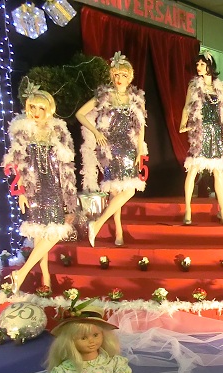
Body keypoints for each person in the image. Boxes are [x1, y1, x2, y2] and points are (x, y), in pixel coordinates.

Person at [3, 82, 77, 295]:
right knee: (39, 231)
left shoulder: (59, 131)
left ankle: (22, 272)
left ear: (49, 109)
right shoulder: (22, 130)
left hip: (55, 186)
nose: (36, 112)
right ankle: (45, 276)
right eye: (32, 107)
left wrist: (69, 196)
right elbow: (17, 163)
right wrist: (21, 192)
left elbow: (67, 166)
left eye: (41, 108)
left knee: (54, 230)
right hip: (33, 187)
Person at [77, 52, 147, 248]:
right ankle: (118, 231)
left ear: (129, 77)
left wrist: (140, 149)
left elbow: (140, 126)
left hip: (129, 147)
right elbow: (80, 114)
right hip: (110, 147)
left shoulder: (135, 99)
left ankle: (99, 224)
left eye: (123, 75)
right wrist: (96, 132)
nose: (119, 79)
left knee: (129, 190)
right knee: (116, 190)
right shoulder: (104, 96)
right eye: (116, 75)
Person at [179, 51, 223, 226]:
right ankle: (188, 211)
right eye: (197, 64)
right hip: (200, 132)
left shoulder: (218, 87)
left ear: (209, 66)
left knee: (218, 174)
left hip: (217, 133)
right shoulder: (194, 86)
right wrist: (183, 124)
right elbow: (186, 107)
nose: (198, 67)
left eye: (202, 64)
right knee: (193, 170)